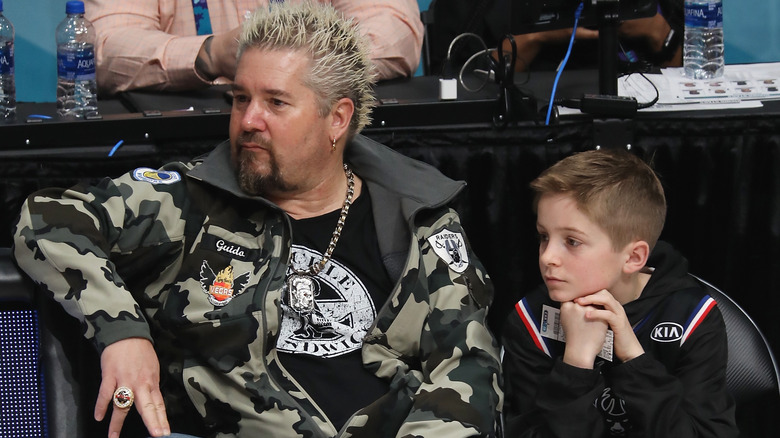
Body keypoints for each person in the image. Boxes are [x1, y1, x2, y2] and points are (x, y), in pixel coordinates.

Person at [13, 2, 502, 437]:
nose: (248, 120)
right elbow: (47, 218)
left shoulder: (415, 218)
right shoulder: (190, 201)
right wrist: (121, 330)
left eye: (276, 102)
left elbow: (469, 367)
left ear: (337, 118)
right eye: (241, 99)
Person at [501, 149, 738, 437]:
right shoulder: (531, 321)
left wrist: (635, 360)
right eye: (544, 236)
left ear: (633, 258)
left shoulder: (692, 318)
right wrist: (576, 364)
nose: (547, 256)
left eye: (572, 241)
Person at [84, 0, 424, 95]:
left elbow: (396, 30)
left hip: (315, 149)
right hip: (185, 158)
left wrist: (303, 60)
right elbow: (105, 47)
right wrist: (211, 55)